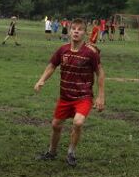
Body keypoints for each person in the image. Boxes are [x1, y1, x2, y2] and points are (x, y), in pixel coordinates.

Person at [34, 18, 105, 167]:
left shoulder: (90, 53)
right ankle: (51, 152)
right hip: (65, 97)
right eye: (74, 29)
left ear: (85, 33)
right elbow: (52, 66)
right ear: (69, 31)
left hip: (83, 97)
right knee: (55, 125)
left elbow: (100, 72)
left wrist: (100, 96)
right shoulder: (62, 50)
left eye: (80, 29)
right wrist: (41, 80)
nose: (76, 31)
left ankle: (71, 153)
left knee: (78, 122)